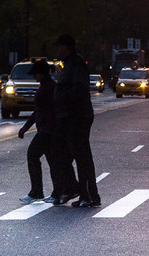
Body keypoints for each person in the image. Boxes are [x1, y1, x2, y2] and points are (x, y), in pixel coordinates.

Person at [53, 34, 101, 209]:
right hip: (68, 117)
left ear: (67, 48)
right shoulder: (68, 65)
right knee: (62, 157)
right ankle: (73, 189)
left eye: (59, 47)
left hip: (77, 117)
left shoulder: (77, 64)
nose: (57, 50)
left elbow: (79, 90)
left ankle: (88, 196)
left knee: (82, 158)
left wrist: (60, 98)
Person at [17, 59, 66, 204]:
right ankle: (56, 192)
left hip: (47, 130)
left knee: (33, 155)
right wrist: (26, 127)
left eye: (36, 74)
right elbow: (38, 111)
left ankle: (38, 191)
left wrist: (26, 127)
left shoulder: (49, 88)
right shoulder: (47, 86)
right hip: (48, 129)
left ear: (42, 73)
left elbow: (45, 110)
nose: (34, 77)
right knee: (53, 162)